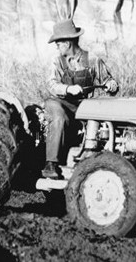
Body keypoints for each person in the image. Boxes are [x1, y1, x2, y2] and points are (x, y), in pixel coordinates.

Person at [40, 19, 118, 179]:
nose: (56, 46)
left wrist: (111, 84)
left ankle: (94, 160)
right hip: (58, 102)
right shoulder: (57, 61)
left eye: (58, 42)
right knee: (58, 117)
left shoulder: (92, 59)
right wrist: (68, 89)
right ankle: (51, 164)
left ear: (68, 43)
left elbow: (108, 80)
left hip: (84, 105)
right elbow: (52, 84)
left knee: (103, 120)